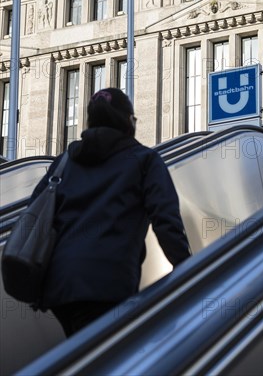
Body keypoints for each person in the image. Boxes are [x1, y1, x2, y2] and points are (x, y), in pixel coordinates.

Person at [29, 88, 191, 337]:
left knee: (86, 353)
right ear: (127, 121)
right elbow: (166, 221)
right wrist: (190, 270)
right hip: (109, 283)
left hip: (60, 286)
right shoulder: (144, 160)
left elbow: (34, 218)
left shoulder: (64, 163)